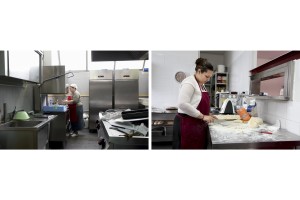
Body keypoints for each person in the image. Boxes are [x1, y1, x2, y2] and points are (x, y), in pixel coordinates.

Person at [173, 58, 217, 149]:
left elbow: (196, 103)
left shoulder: (201, 85)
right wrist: (203, 116)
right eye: (207, 76)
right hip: (187, 124)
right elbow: (183, 104)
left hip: (197, 124)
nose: (208, 79)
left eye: (210, 77)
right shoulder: (189, 83)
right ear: (199, 71)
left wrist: (208, 114)